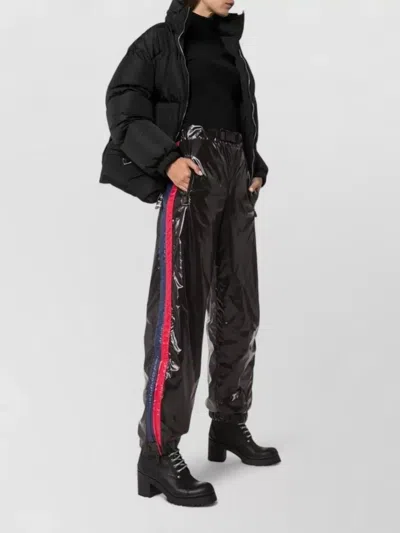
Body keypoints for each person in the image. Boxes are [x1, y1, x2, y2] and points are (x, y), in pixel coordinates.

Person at [104, 0, 281, 507]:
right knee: (179, 312)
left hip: (235, 182)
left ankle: (228, 421)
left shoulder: (230, 48)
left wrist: (255, 167)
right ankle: (158, 453)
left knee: (241, 308)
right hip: (191, 175)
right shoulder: (159, 42)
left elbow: (234, 117)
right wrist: (167, 160)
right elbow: (123, 106)